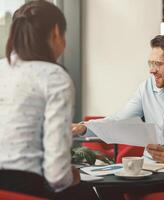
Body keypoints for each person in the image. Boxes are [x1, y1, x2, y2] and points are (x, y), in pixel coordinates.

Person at [73, 32, 164, 200]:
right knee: (107, 182)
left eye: (157, 64)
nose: (152, 70)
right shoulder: (147, 88)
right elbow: (119, 120)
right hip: (150, 170)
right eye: (150, 63)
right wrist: (84, 127)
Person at [0, 1, 98, 199]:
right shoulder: (54, 76)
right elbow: (56, 175)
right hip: (24, 187)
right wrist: (71, 177)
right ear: (56, 32)